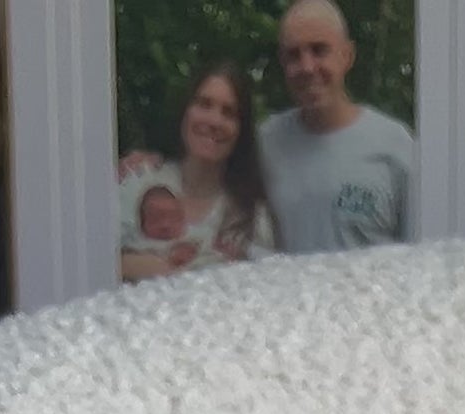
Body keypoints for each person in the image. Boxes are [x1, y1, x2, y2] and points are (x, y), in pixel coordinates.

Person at [256, 0, 412, 258]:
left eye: (319, 50)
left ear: (347, 56)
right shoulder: (265, 144)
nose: (307, 67)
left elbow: (423, 252)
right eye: (294, 55)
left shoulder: (396, 146)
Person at [118, 56, 272, 283]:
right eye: (204, 104)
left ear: (241, 130)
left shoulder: (251, 218)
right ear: (185, 111)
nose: (214, 120)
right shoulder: (138, 181)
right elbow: (94, 259)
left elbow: (264, 287)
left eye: (228, 112)